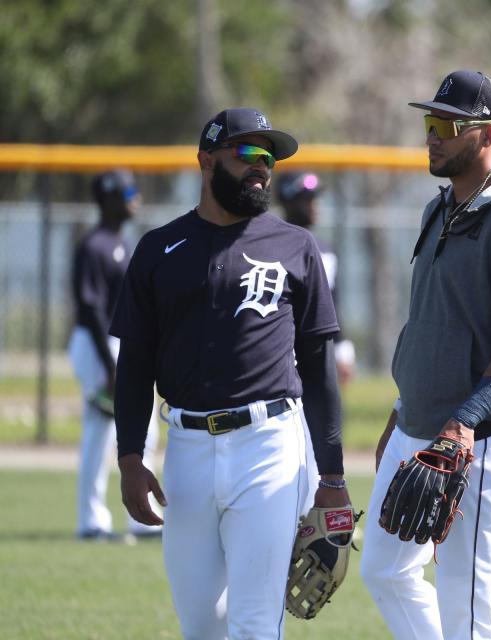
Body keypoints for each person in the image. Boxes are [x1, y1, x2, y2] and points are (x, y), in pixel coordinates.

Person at [110, 107, 348, 639]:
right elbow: (134, 365)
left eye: (267, 157)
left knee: (254, 623)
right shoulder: (158, 249)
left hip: (268, 446)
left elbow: (319, 369)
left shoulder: (295, 246)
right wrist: (130, 457)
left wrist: (331, 478)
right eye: (245, 154)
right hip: (186, 452)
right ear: (205, 160)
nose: (260, 167)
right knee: (200, 625)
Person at [359, 70, 491, 639]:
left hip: (482, 435)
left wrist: (464, 421)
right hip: (418, 425)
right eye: (430, 123)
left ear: (488, 133)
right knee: (384, 571)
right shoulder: (437, 209)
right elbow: (429, 321)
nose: (434, 136)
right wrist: (401, 414)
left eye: (448, 125)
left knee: (463, 605)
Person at [68, 169, 161, 542]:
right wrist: (110, 366)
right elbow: (89, 308)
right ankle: (91, 520)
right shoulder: (92, 245)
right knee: (100, 431)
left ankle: (143, 517)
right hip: (97, 344)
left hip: (118, 344)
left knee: (144, 430)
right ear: (107, 197)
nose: (134, 197)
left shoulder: (122, 243)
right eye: (127, 191)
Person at [276, 172, 356, 386]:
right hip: (280, 355)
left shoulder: (326, 250)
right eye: (306, 199)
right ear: (287, 202)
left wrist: (343, 350)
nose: (314, 205)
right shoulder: (270, 248)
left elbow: (332, 303)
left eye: (315, 199)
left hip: (318, 354)